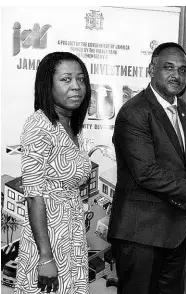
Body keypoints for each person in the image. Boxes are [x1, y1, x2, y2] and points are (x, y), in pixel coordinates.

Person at [107, 42, 186, 294]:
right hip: (140, 233)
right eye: (169, 68)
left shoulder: (183, 110)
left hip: (175, 231)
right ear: (152, 69)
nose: (177, 75)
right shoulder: (135, 112)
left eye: (183, 70)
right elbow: (146, 173)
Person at [16, 51, 92, 294]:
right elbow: (33, 195)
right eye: (66, 79)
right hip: (48, 236)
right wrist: (46, 257)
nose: (76, 87)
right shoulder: (39, 125)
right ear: (47, 85)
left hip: (73, 232)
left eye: (80, 79)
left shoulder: (74, 127)